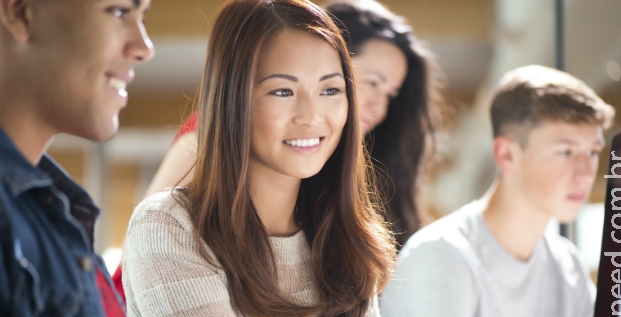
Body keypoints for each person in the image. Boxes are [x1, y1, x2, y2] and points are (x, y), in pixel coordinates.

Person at [0, 0, 518, 317]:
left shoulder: (343, 233)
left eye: (331, 90)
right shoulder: (167, 227)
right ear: (234, 101)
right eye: (281, 92)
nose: (313, 116)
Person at [382, 65, 621, 317]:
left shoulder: (567, 266)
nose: (586, 172)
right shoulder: (441, 252)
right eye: (565, 152)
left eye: (592, 151)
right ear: (507, 154)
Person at [133, 0, 442, 246]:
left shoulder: (330, 171)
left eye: (391, 94)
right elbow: (149, 244)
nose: (380, 107)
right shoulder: (212, 138)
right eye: (372, 82)